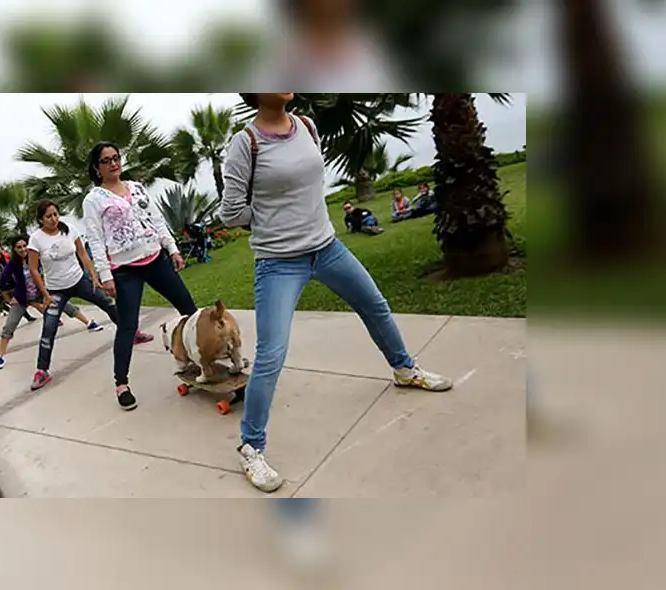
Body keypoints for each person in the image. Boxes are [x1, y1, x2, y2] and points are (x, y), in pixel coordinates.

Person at [220, 92, 452, 493]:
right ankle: (251, 447)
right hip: (278, 261)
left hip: (327, 248)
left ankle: (404, 369)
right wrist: (272, 214)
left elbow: (311, 183)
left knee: (374, 305)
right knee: (272, 355)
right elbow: (230, 212)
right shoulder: (245, 142)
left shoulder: (306, 125)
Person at [82, 141, 198, 410]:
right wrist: (105, 275)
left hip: (155, 258)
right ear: (97, 167)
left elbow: (156, 220)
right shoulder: (94, 200)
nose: (113, 163)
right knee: (128, 326)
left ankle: (200, 358)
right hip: (125, 270)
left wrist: (172, 249)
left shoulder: (136, 187)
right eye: (106, 160)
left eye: (116, 157)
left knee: (188, 308)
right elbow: (96, 240)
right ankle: (121, 383)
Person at [28, 199, 154, 396]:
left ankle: (132, 334)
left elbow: (83, 255)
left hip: (79, 280)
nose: (53, 219)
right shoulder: (36, 239)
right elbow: (34, 270)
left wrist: (95, 278)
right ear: (40, 219)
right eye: (48, 216)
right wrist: (44, 294)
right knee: (49, 327)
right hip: (56, 290)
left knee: (109, 304)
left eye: (55, 214)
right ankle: (41, 370)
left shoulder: (69, 229)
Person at [0, 235, 105, 370]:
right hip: (22, 298)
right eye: (19, 247)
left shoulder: (36, 259)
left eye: (24, 246)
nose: (22, 249)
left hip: (41, 293)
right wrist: (9, 300)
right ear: (14, 250)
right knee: (10, 325)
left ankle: (89, 323)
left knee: (66, 307)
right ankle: (0, 356)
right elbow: (3, 285)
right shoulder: (12, 265)